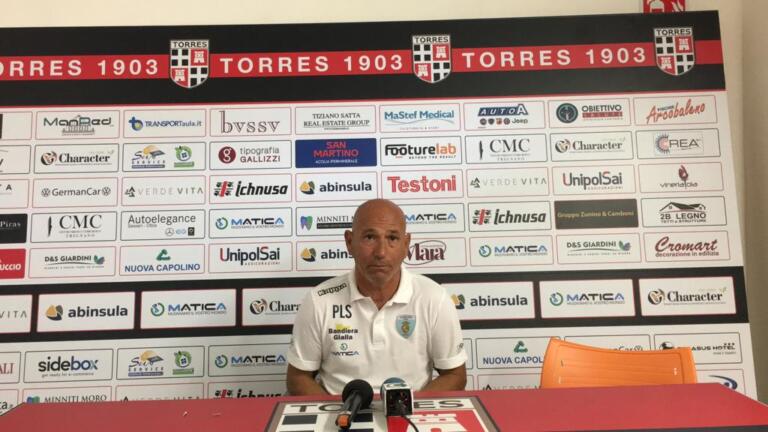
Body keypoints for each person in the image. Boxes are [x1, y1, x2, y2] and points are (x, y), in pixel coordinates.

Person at [286, 199, 467, 395]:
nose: (380, 252)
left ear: (406, 244)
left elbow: (455, 375)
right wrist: (338, 411)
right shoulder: (319, 300)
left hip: (411, 412)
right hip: (341, 412)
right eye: (370, 237)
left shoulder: (434, 298)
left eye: (392, 238)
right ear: (349, 242)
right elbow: (298, 378)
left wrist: (408, 407)